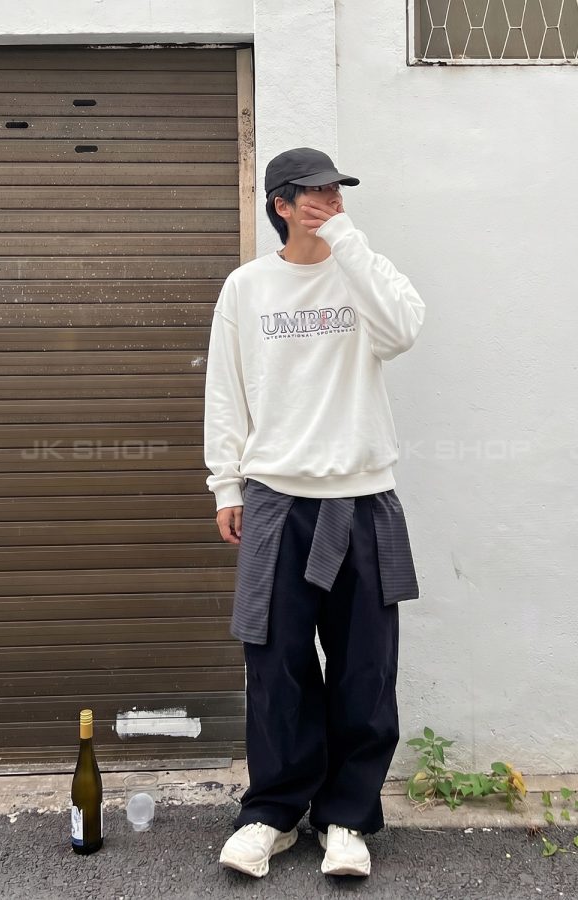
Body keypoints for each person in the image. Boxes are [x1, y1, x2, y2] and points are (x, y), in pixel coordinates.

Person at [203, 147, 426, 878]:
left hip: (362, 499)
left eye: (336, 190)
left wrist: (349, 245)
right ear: (281, 204)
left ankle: (347, 818)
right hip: (276, 500)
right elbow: (226, 392)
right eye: (314, 192)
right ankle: (272, 813)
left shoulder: (365, 271)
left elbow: (402, 332)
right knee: (276, 665)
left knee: (366, 667)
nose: (330, 201)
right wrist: (226, 485)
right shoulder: (247, 287)